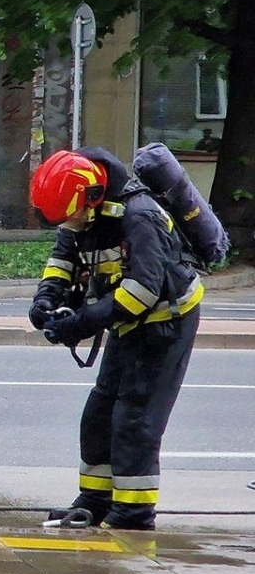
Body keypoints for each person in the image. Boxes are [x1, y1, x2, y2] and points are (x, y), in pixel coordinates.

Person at [28, 147, 204, 530]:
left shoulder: (139, 217)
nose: (69, 224)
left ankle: (133, 514)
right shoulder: (82, 213)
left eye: (70, 216)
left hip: (165, 323)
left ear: (91, 198)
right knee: (99, 416)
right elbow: (64, 258)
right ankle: (95, 502)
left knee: (134, 419)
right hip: (127, 323)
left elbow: (142, 290)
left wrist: (82, 322)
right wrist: (46, 299)